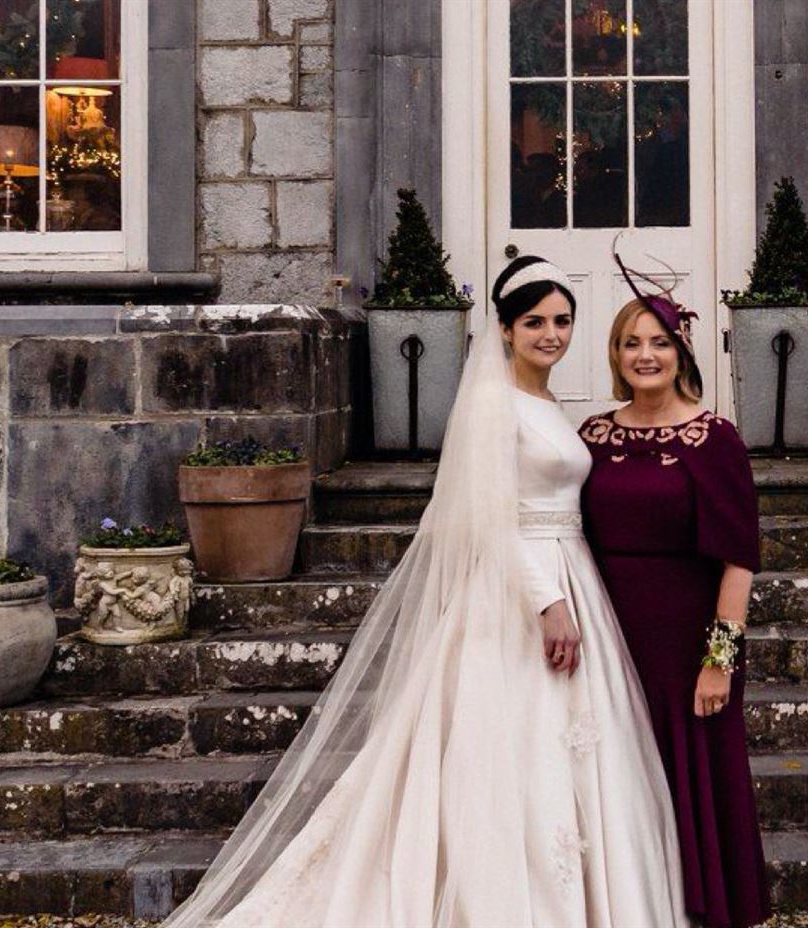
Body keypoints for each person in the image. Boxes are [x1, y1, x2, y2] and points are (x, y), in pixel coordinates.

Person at [166, 256, 683, 927]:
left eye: (561, 320)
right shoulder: (492, 404)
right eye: (534, 322)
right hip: (519, 593)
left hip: (572, 573)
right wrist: (547, 602)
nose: (551, 334)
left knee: (572, 750)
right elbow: (490, 516)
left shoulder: (554, 403)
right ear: (503, 329)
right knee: (504, 749)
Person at [578, 259, 773, 928]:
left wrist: (720, 659)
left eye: (658, 341)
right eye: (632, 343)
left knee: (692, 773)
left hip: (687, 640)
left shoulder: (713, 440)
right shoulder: (592, 438)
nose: (645, 355)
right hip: (608, 634)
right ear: (615, 355)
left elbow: (739, 561)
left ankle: (702, 908)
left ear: (680, 348)